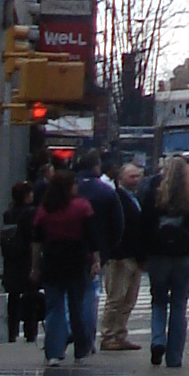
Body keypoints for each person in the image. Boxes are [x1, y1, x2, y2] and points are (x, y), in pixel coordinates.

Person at [142, 153, 189, 368]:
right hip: (185, 256)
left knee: (159, 300)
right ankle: (174, 357)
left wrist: (143, 255)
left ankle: (157, 340)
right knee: (179, 304)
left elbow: (143, 225)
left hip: (158, 254)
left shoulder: (155, 195)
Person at [30, 166, 99, 361]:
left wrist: (35, 267)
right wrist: (95, 260)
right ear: (69, 187)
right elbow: (91, 237)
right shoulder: (82, 207)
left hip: (52, 261)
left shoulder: (44, 210)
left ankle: (54, 351)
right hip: (76, 261)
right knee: (76, 306)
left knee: (54, 307)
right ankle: (81, 347)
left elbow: (36, 242)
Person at [71, 151, 125, 356]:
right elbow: (118, 224)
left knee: (66, 295)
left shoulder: (66, 190)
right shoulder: (106, 192)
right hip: (96, 253)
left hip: (66, 249)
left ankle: (65, 334)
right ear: (96, 167)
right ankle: (86, 340)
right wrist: (107, 249)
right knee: (89, 296)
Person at [98, 160, 147, 350]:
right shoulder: (115, 197)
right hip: (120, 257)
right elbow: (112, 227)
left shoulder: (137, 197)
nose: (135, 180)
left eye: (137, 176)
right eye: (131, 176)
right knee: (116, 298)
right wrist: (114, 253)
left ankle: (120, 334)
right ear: (120, 178)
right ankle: (108, 335)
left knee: (129, 300)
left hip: (135, 256)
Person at [0, 179, 42, 345]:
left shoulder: (8, 213)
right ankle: (30, 332)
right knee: (30, 297)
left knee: (13, 297)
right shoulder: (32, 213)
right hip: (27, 258)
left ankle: (12, 331)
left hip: (12, 259)